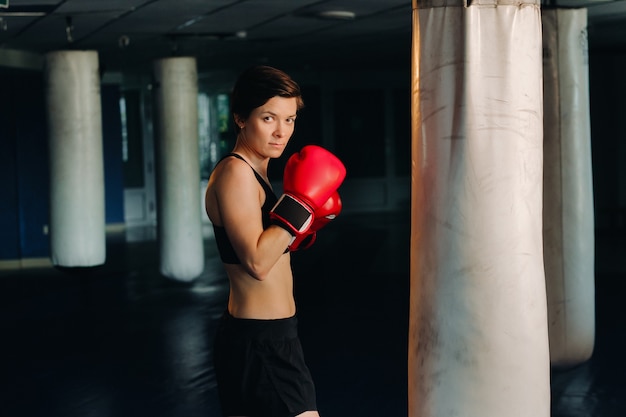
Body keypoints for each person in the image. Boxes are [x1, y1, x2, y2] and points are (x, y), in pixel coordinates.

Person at [205, 65, 344, 417]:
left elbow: (272, 247)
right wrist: (301, 204)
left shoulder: (259, 174)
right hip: (259, 341)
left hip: (275, 336)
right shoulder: (236, 173)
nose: (282, 132)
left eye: (290, 119)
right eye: (269, 118)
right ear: (240, 118)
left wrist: (305, 228)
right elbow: (256, 262)